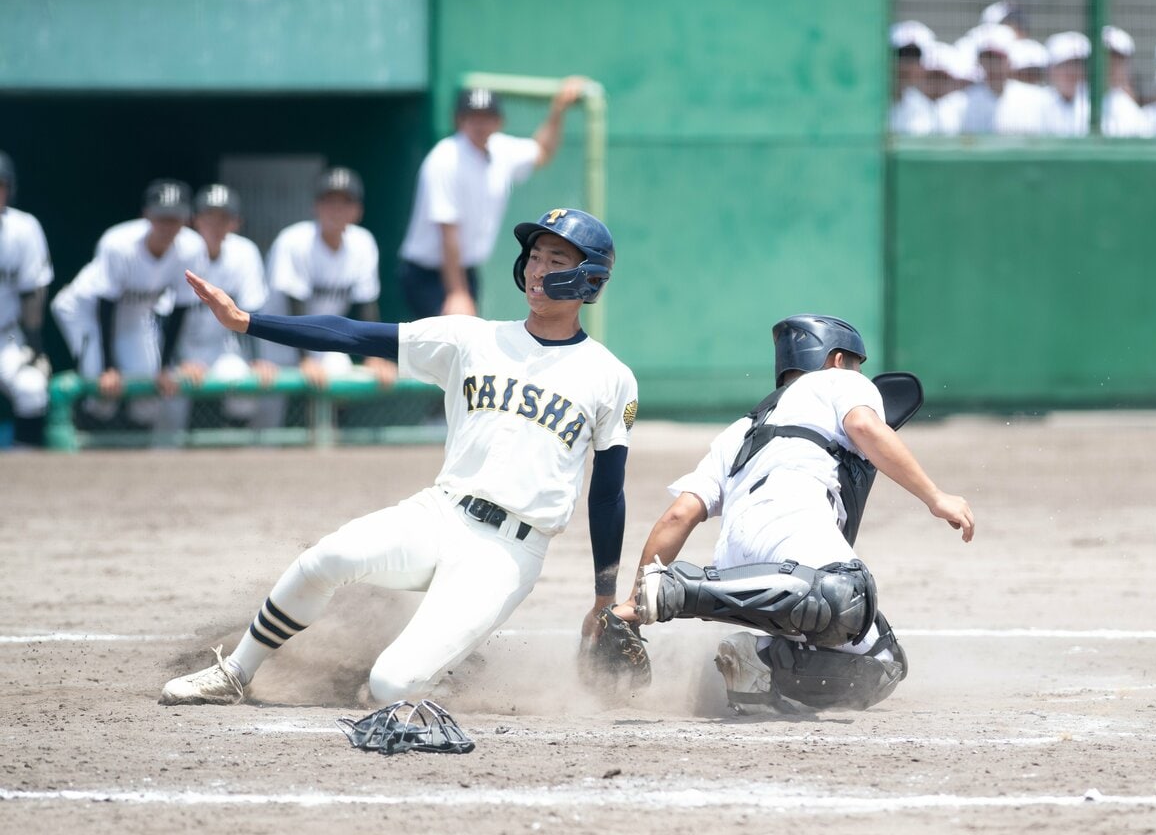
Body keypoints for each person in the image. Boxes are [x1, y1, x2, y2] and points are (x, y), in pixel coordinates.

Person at [159, 207, 638, 706]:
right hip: (440, 512)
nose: (538, 269)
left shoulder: (610, 376)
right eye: (534, 256)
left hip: (509, 553)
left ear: (588, 277)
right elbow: (353, 334)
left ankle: (442, 667)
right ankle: (236, 671)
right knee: (327, 557)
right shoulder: (472, 338)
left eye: (555, 259)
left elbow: (608, 492)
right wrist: (248, 322)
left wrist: (605, 597)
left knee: (389, 686)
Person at [610, 315, 974, 715]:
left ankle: (760, 666)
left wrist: (633, 601)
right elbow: (865, 426)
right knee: (848, 594)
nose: (860, 374)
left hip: (740, 562)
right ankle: (679, 592)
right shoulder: (839, 381)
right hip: (790, 536)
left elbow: (678, 516)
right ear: (837, 359)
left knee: (883, 663)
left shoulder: (740, 429)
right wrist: (935, 496)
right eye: (857, 364)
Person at [399, 81, 586, 319]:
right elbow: (447, 230)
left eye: (487, 116)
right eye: (472, 116)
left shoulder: (501, 150)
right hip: (429, 275)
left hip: (466, 271)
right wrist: (456, 292)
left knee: (461, 346)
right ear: (459, 120)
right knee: (450, 345)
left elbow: (542, 151)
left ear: (499, 121)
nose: (480, 123)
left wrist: (558, 110)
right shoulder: (445, 159)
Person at [49, 179, 206, 427]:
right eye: (161, 217)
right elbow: (105, 304)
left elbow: (181, 309)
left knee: (148, 394)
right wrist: (109, 367)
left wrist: (165, 367)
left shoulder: (192, 247)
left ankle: (132, 459)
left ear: (187, 219)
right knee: (102, 391)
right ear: (147, 215)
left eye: (174, 218)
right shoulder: (119, 243)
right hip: (85, 311)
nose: (167, 225)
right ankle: (80, 448)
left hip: (135, 315)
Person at [256, 167, 392, 426]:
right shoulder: (294, 241)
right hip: (277, 340)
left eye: (345, 202)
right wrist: (306, 359)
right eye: (330, 202)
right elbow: (293, 304)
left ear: (358, 211)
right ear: (316, 207)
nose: (336, 210)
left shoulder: (363, 243)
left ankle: (326, 457)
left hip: (323, 340)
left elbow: (367, 304)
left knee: (339, 378)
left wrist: (374, 355)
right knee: (267, 417)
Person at [155, 184, 268, 441]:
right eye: (209, 216)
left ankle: (232, 456)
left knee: (242, 381)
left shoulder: (244, 253)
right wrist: (177, 360)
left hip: (221, 347)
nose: (216, 225)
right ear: (195, 220)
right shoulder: (179, 250)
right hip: (176, 348)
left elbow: (252, 309)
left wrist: (257, 358)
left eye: (224, 218)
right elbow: (160, 317)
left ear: (235, 222)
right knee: (167, 401)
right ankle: (160, 459)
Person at [0, 151, 54, 448]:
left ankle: (26, 471)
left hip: (6, 337)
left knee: (32, 387)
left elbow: (33, 290)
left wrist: (34, 345)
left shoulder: (24, 228)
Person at [889, 21, 938, 135]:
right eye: (902, 55)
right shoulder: (868, 102)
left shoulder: (923, 107)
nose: (908, 65)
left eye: (915, 56)